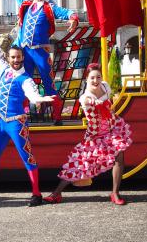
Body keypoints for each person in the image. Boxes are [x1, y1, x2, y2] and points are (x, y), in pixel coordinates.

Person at [0, 11, 56, 207]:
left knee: (27, 156)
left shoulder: (26, 79)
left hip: (17, 123)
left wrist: (41, 98)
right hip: (1, 123)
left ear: (23, 59)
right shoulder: (4, 69)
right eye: (13, 57)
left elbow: (32, 95)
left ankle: (36, 193)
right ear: (8, 58)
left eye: (19, 58)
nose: (16, 60)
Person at [43, 63, 132, 205]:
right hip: (95, 135)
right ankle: (56, 194)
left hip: (112, 129)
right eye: (92, 78)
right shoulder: (86, 98)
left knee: (119, 156)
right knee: (79, 164)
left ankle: (115, 193)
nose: (96, 81)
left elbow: (109, 104)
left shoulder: (105, 87)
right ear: (87, 79)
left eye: (98, 77)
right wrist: (94, 103)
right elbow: (91, 111)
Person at [11, 0, 79, 125]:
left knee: (48, 82)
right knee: (23, 81)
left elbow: (65, 12)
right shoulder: (25, 5)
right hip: (25, 52)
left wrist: (73, 18)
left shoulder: (49, 8)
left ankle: (57, 117)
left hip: (40, 51)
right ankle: (22, 116)